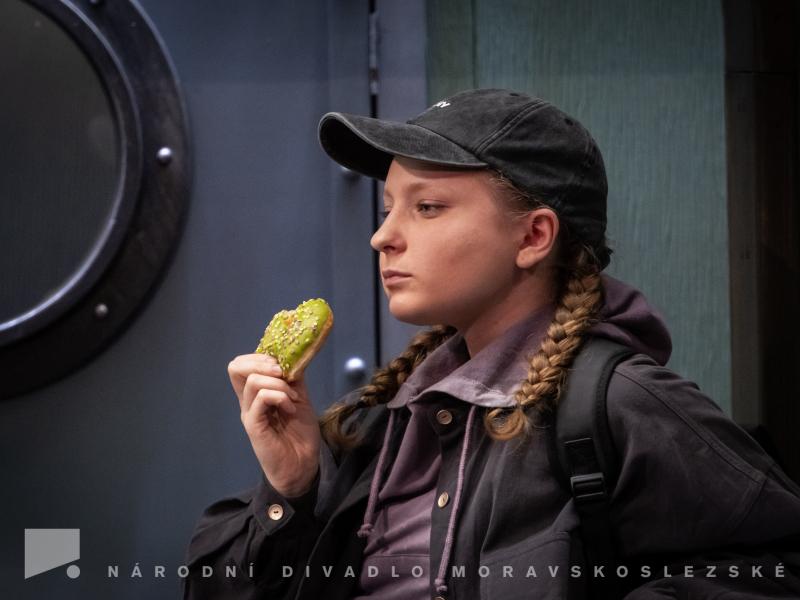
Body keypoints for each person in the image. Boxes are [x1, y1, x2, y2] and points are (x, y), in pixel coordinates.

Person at [183, 89, 800, 600]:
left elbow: (778, 567)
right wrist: (291, 490)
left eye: (427, 207)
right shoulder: (381, 424)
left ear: (533, 237)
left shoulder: (622, 403)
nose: (382, 237)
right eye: (388, 207)